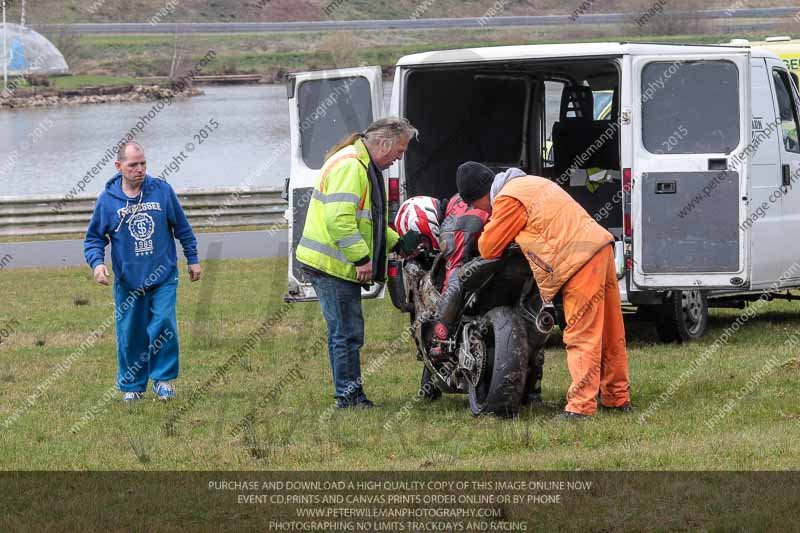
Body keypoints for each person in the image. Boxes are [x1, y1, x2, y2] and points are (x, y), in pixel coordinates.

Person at [456, 161, 630, 419]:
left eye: (473, 205)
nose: (478, 210)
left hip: (579, 260)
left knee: (581, 334)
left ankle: (580, 407)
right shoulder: (531, 184)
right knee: (609, 331)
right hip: (600, 247)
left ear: (480, 196)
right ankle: (617, 398)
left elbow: (489, 246)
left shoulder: (508, 198)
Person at [296, 117, 420, 410]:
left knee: (348, 332)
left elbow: (370, 221)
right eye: (399, 151)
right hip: (332, 266)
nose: (399, 158)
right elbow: (339, 221)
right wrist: (362, 259)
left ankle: (352, 395)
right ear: (384, 143)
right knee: (345, 333)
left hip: (337, 265)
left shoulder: (361, 164)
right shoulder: (352, 166)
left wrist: (397, 242)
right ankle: (348, 399)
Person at [84, 142, 202, 402]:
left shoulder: (162, 191)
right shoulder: (107, 200)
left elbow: (182, 228)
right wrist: (97, 264)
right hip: (128, 281)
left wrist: (192, 259)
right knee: (131, 333)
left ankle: (163, 381)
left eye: (143, 163)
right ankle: (133, 386)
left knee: (163, 324)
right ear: (119, 166)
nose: (140, 169)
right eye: (133, 165)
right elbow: (94, 238)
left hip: (163, 276)